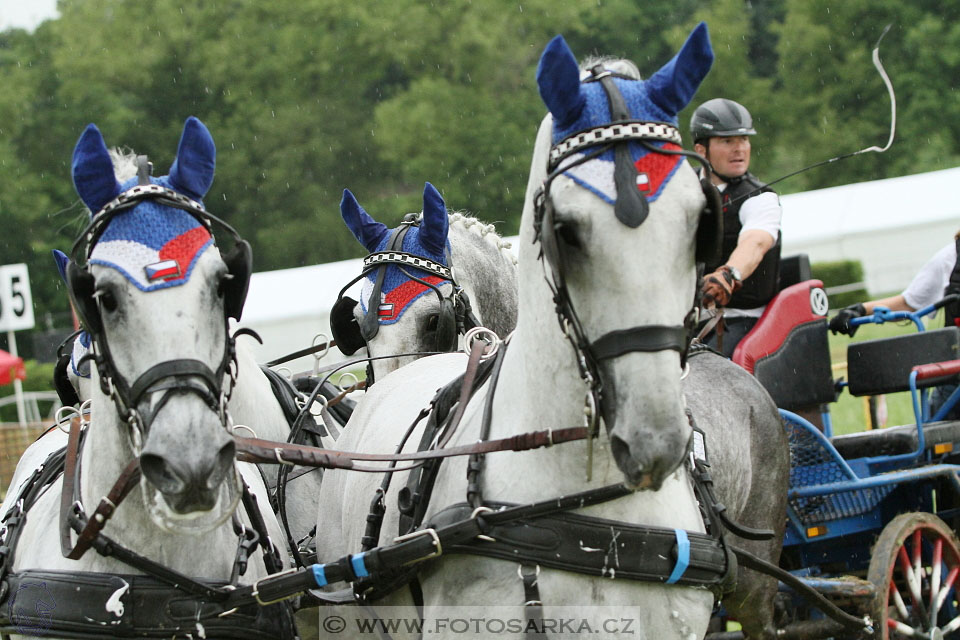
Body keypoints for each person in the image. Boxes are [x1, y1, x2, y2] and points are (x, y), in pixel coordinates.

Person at [691, 98, 783, 357]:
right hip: (685, 318)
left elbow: (756, 242)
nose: (739, 149)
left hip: (743, 321)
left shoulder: (760, 198)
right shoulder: (681, 189)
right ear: (701, 149)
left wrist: (730, 274)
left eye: (744, 140)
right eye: (727, 141)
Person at [830, 236, 960, 419]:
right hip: (955, 381)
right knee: (939, 433)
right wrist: (861, 310)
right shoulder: (950, 257)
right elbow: (909, 303)